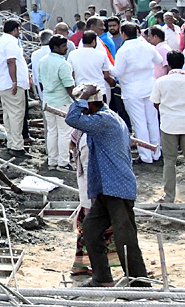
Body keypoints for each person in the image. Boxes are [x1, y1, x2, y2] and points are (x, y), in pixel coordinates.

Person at [65, 84, 150, 287]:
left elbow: (72, 119)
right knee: (91, 228)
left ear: (90, 105)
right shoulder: (104, 119)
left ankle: (139, 282)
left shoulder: (105, 120)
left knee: (124, 236)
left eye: (85, 105)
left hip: (117, 187)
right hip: (107, 187)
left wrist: (81, 99)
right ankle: (102, 277)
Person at [112, 21, 165, 163]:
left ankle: (145, 155)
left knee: (139, 123)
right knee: (152, 121)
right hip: (150, 87)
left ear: (123, 34)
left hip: (132, 90)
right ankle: (156, 152)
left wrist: (106, 67)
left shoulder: (123, 50)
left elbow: (117, 71)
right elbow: (159, 60)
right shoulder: (147, 46)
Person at [39, 35, 77, 170]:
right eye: (63, 46)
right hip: (62, 103)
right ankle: (63, 162)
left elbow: (41, 83)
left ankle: (52, 161)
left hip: (48, 102)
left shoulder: (42, 61)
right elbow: (69, 87)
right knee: (64, 133)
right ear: (55, 47)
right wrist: (77, 102)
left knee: (52, 132)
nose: (66, 49)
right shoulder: (64, 64)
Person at [153, 50, 185, 202]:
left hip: (168, 125)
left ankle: (169, 196)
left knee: (169, 161)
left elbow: (156, 103)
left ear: (169, 64)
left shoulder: (161, 81)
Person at [0, 19, 30, 153]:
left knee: (9, 115)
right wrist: (14, 81)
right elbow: (11, 61)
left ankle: (11, 143)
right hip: (11, 84)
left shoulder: (1, 41)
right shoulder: (11, 42)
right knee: (16, 114)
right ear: (15, 29)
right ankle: (17, 146)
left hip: (4, 83)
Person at [68, 30, 116, 101]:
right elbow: (106, 75)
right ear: (94, 41)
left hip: (82, 93)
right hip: (99, 92)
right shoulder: (101, 54)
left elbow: (71, 74)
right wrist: (113, 83)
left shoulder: (72, 54)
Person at [29, 30, 53, 102]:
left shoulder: (34, 54)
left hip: (42, 92)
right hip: (56, 92)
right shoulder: (53, 52)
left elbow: (35, 75)